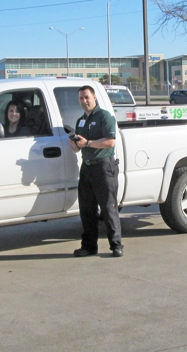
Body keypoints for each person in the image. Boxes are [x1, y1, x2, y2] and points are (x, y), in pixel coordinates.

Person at [69, 85, 123, 258]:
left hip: (103, 167)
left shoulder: (104, 117)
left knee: (108, 208)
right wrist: (74, 143)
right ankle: (89, 246)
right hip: (87, 167)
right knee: (87, 209)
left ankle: (116, 245)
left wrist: (88, 143)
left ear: (94, 98)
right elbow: (78, 149)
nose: (84, 101)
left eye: (87, 97)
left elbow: (110, 142)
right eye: (81, 98)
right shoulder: (80, 121)